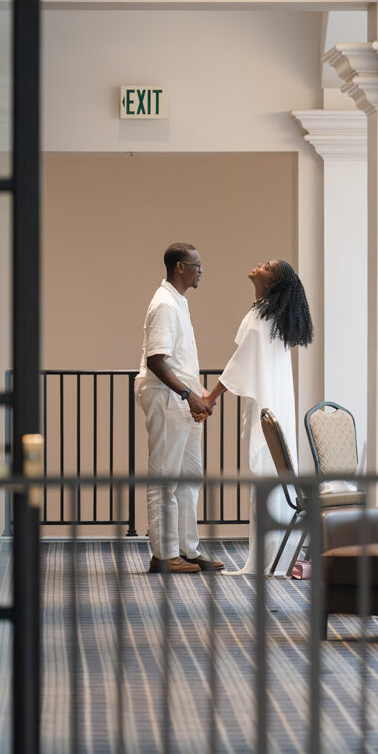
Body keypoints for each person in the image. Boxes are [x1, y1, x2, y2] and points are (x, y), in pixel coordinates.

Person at [205, 259, 313, 575]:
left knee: (266, 475)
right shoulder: (271, 317)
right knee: (271, 478)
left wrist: (209, 398)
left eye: (266, 265)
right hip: (275, 403)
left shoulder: (262, 319)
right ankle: (279, 553)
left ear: (272, 280)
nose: (257, 265)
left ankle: (271, 557)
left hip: (269, 406)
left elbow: (238, 365)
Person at [135, 243, 224, 573]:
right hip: (167, 399)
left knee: (189, 477)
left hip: (182, 400)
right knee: (165, 478)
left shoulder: (178, 302)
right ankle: (163, 554)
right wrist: (189, 393)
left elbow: (178, 357)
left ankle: (187, 549)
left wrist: (196, 388)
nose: (201, 271)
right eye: (197, 265)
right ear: (180, 268)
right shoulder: (164, 304)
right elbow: (156, 360)